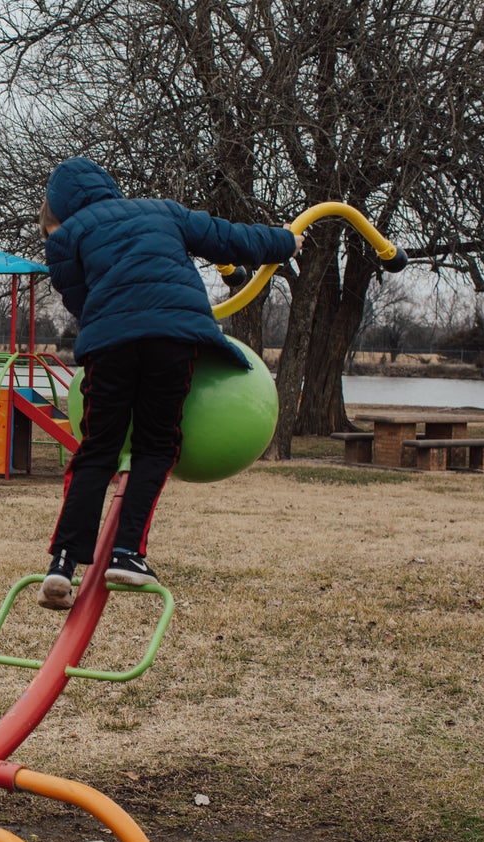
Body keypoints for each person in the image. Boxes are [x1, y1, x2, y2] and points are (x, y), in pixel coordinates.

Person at [37, 157, 303, 610]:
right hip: (173, 337)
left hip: (110, 344)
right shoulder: (162, 210)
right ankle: (128, 554)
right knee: (156, 444)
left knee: (98, 448)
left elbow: (78, 300)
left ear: (57, 207)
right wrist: (285, 241)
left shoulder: (65, 237)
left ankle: (61, 562)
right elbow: (229, 238)